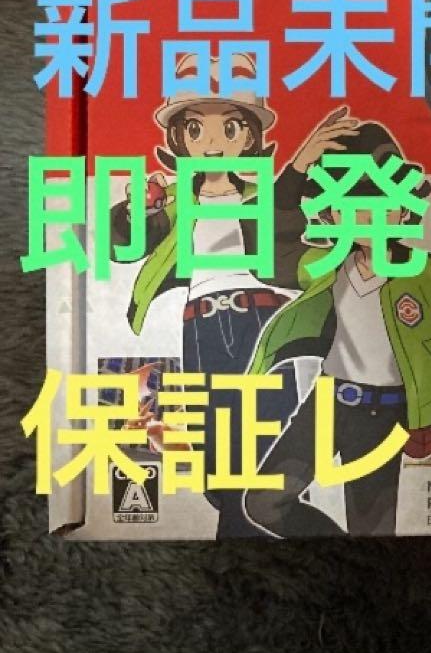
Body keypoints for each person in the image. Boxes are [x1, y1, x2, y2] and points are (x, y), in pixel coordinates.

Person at [110, 53, 359, 536]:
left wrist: (301, 164)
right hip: (199, 329)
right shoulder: (175, 201)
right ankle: (276, 528)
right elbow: (124, 246)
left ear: (249, 137)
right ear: (179, 138)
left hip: (257, 324)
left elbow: (282, 223)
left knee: (262, 454)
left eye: (229, 128)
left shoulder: (261, 197)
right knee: (215, 465)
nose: (212, 143)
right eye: (196, 129)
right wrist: (136, 209)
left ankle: (266, 528)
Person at [243, 121, 431, 537]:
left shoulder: (428, 274)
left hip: (386, 415)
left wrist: (429, 416)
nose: (367, 217)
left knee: (373, 533)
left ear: (404, 208)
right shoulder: (326, 265)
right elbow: (267, 250)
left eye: (383, 202)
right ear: (332, 213)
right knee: (264, 501)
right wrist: (297, 168)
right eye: (351, 205)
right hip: (327, 404)